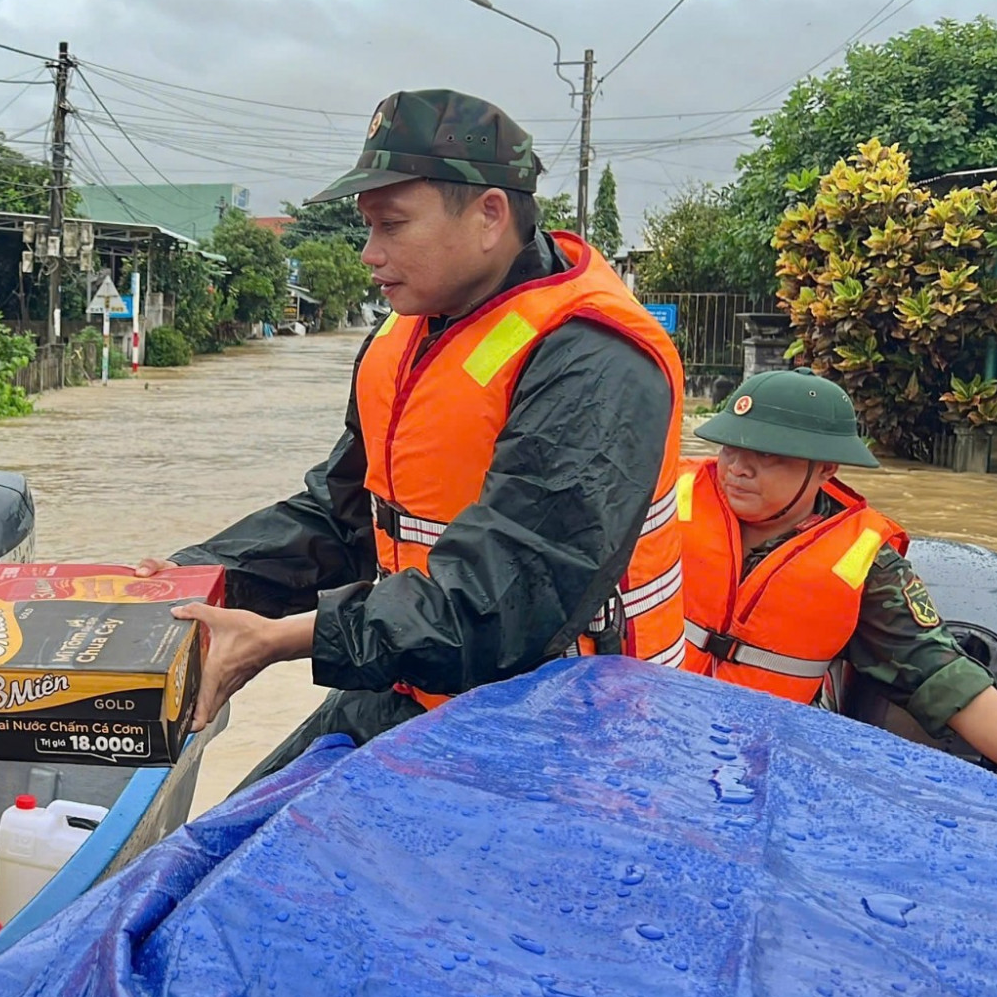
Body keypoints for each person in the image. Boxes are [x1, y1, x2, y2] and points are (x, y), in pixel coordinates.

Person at [137, 89, 687, 786]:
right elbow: (343, 516)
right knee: (225, 838)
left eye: (392, 225)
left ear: (489, 215)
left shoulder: (594, 361)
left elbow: (505, 597)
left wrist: (282, 639)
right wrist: (195, 580)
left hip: (561, 734)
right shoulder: (405, 335)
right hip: (414, 683)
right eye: (367, 227)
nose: (370, 254)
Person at [680, 368, 997, 773]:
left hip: (756, 760)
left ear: (826, 469)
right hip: (651, 725)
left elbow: (942, 676)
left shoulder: (863, 562)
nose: (738, 468)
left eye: (768, 455)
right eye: (730, 447)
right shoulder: (664, 500)